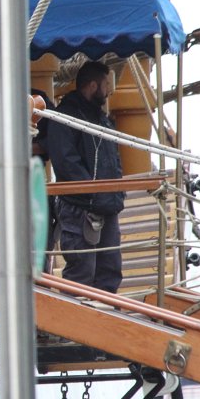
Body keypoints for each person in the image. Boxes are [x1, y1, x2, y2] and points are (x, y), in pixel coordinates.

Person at [47, 60, 124, 293]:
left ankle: (108, 322)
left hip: (107, 205)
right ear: (92, 86)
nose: (110, 90)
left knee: (110, 270)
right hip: (80, 208)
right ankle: (71, 327)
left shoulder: (102, 120)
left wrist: (115, 193)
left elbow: (114, 160)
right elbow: (66, 163)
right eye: (106, 84)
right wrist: (95, 192)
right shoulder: (65, 117)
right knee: (81, 272)